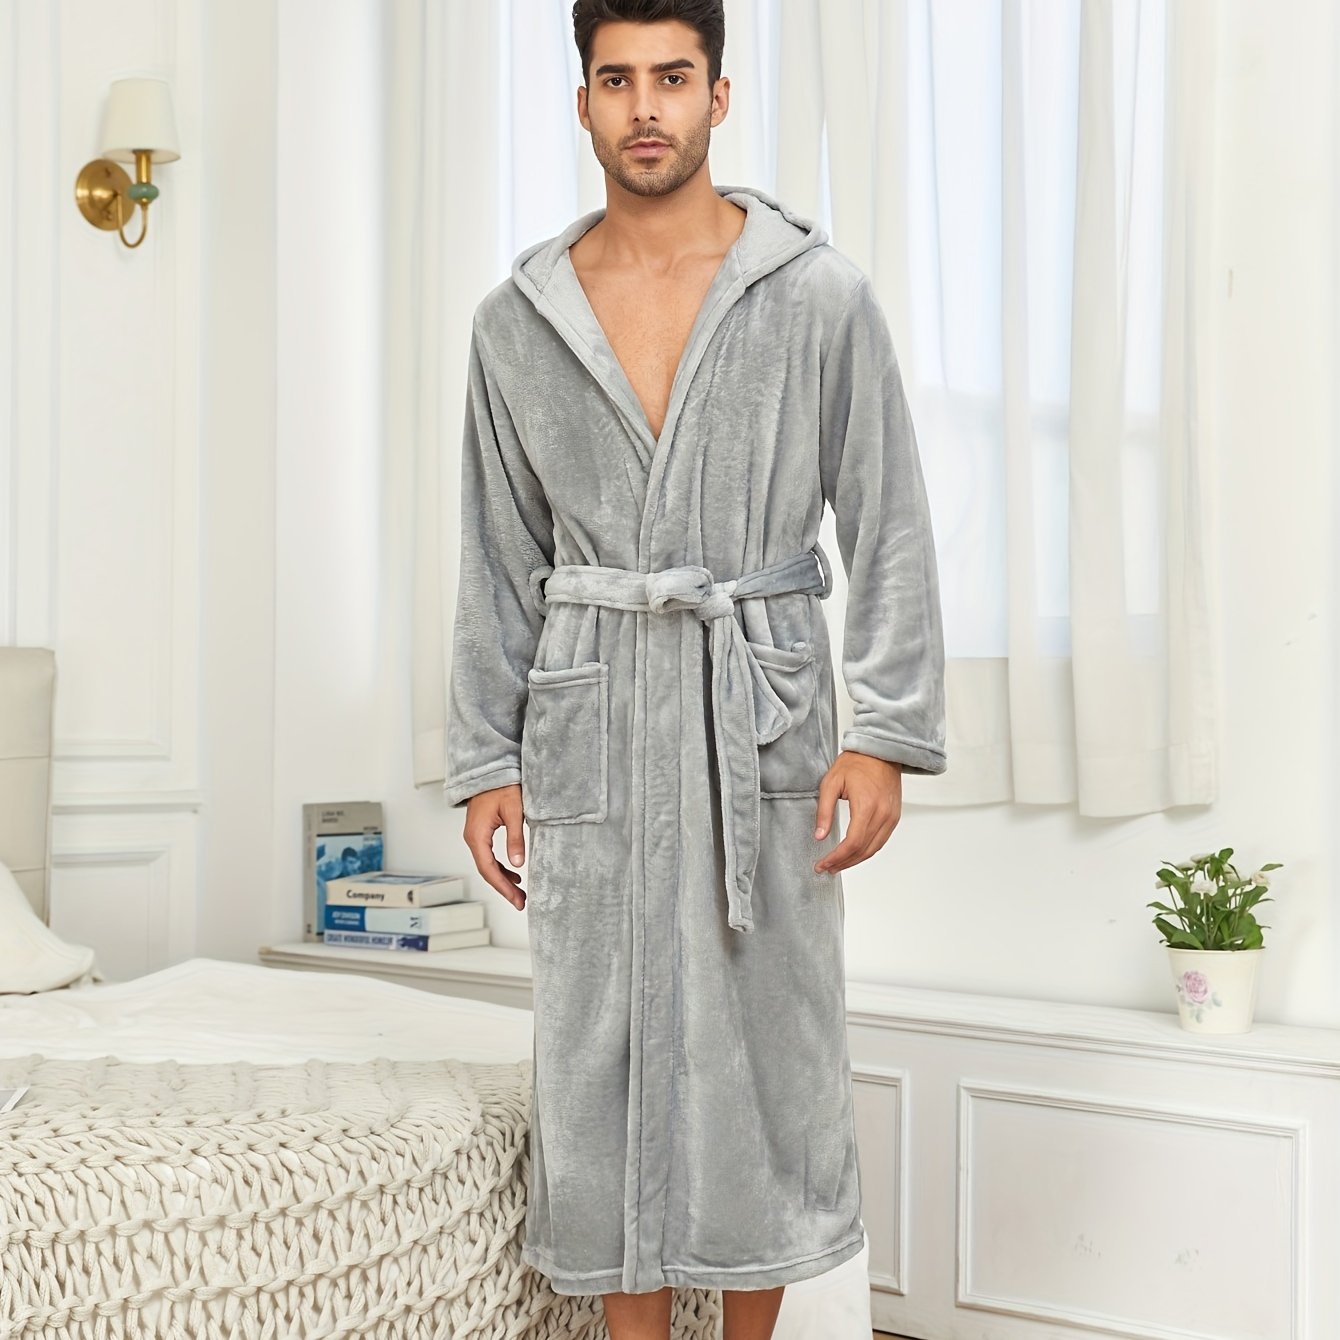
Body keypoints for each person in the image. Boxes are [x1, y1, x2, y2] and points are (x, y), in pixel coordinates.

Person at [443, 3, 947, 1337]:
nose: (645, 107)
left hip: (758, 707)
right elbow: (496, 554)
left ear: (719, 95)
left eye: (672, 77)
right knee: (601, 1053)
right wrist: (487, 756)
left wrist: (885, 732)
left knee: (763, 1048)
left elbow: (887, 518)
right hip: (592, 714)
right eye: (617, 81)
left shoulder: (817, 297)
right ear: (583, 102)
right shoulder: (518, 323)